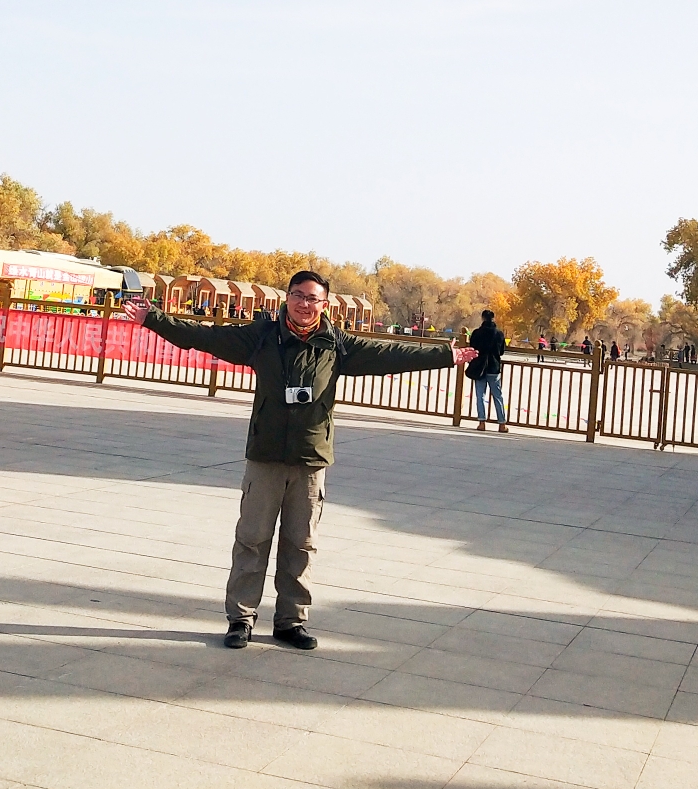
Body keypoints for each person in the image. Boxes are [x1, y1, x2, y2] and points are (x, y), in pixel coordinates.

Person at [126, 270, 474, 651]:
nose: (304, 304)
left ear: (324, 305)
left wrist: (446, 355)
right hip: (266, 457)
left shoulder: (335, 345)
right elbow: (205, 337)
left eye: (312, 299)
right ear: (287, 298)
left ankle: (291, 621)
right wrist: (152, 319)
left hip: (310, 461)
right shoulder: (262, 337)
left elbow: (388, 355)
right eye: (297, 295)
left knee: (300, 544)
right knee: (251, 540)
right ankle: (240, 619)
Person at [466, 309, 508, 432]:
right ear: (493, 318)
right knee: (498, 396)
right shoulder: (499, 334)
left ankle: (482, 422)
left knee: (480, 396)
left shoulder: (477, 333)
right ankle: (502, 424)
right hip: (494, 368)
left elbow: (472, 348)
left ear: (483, 318)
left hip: (479, 367)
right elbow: (501, 352)